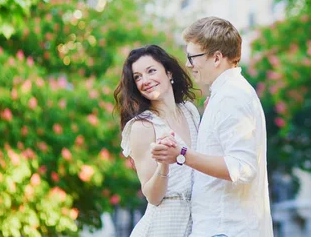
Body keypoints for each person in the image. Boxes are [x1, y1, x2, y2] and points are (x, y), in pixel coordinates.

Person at [151, 17, 273, 237]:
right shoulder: (225, 95)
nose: (188, 64)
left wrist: (182, 155)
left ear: (217, 58)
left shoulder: (231, 97)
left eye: (192, 57)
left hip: (225, 229)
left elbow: (241, 167)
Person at [115, 45, 200, 237]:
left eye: (151, 71)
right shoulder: (143, 126)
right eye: (137, 77)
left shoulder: (189, 111)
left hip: (196, 222)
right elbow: (152, 196)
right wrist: (164, 165)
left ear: (168, 72)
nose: (145, 81)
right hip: (162, 226)